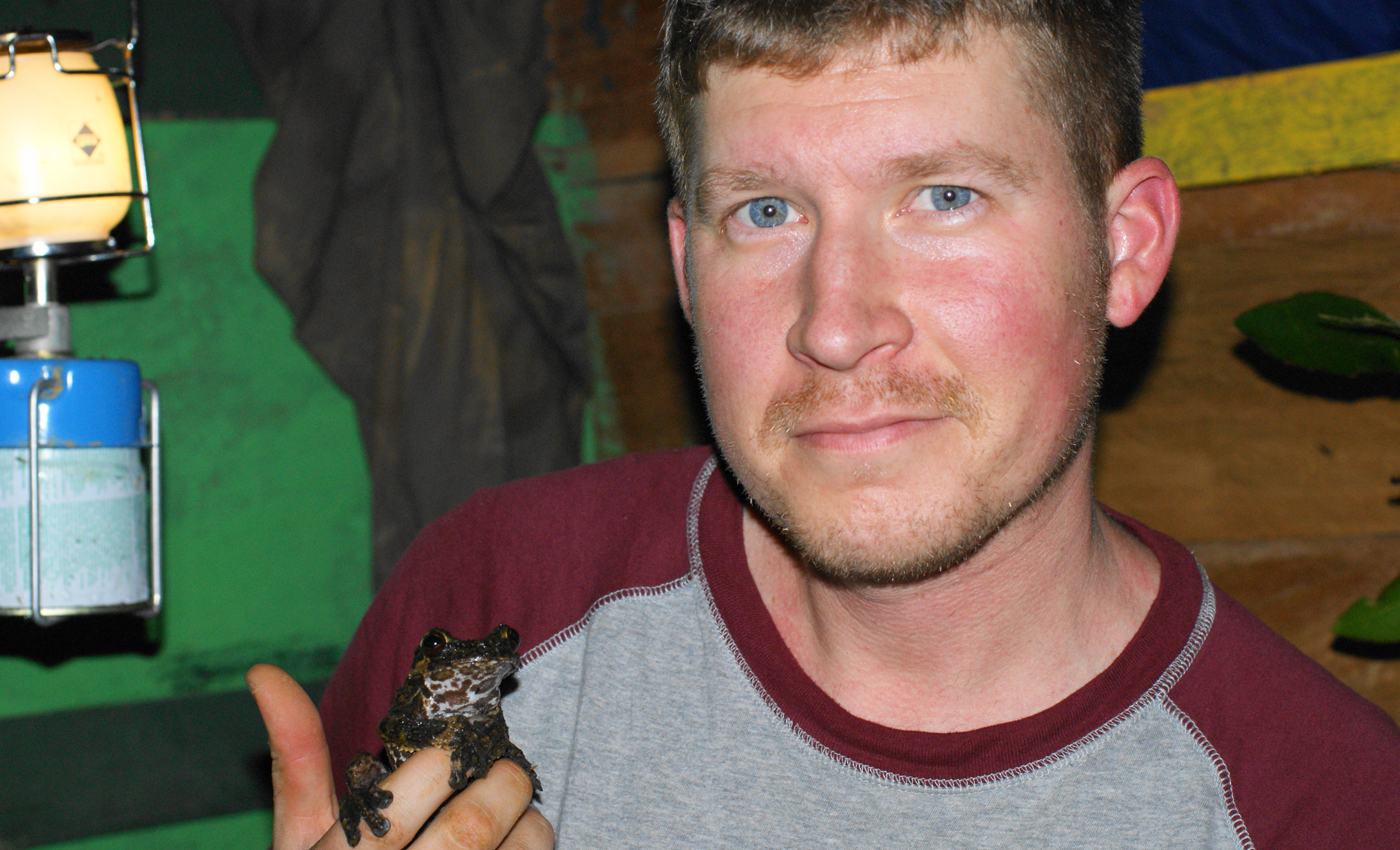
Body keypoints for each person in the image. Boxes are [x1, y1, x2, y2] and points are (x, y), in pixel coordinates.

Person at [247, 0, 1400, 847]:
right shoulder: (497, 605)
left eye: (942, 197)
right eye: (765, 210)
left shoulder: (1322, 806)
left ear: (1125, 249)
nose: (837, 325)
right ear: (687, 269)